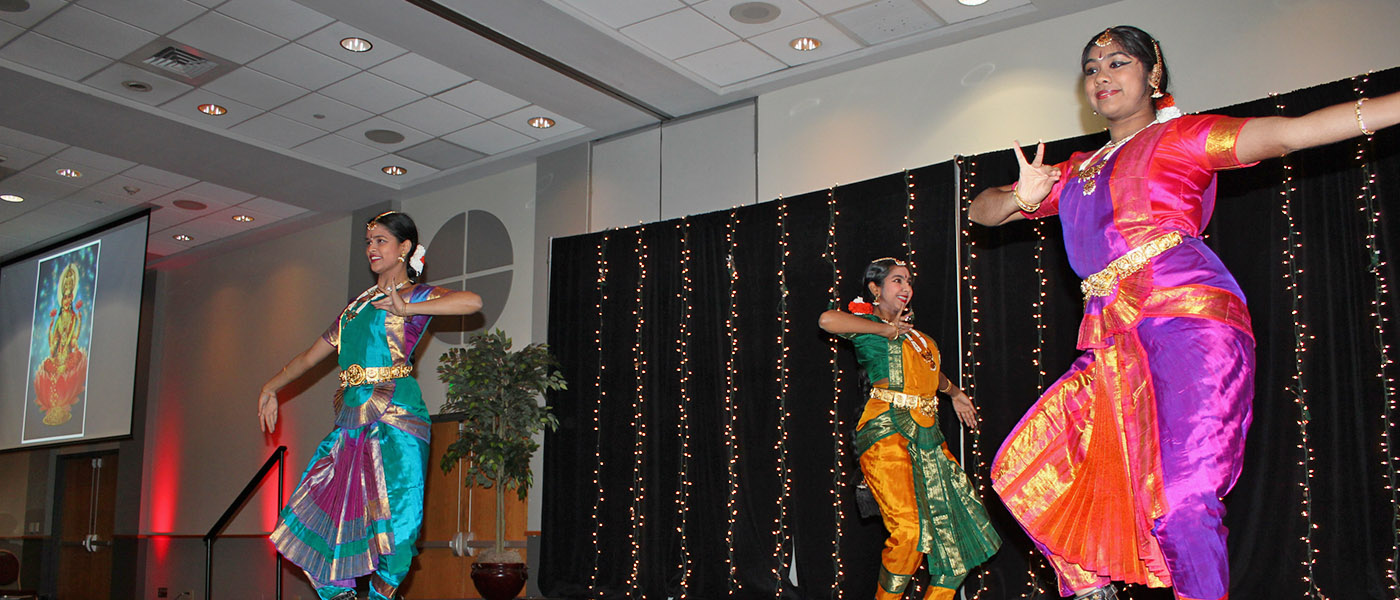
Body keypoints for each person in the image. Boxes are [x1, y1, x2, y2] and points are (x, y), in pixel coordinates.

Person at [970, 25, 1400, 600]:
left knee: (1180, 497)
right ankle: (1093, 581)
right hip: (1112, 335)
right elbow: (982, 210)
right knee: (1031, 469)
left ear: (1154, 75)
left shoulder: (1182, 137)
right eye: (1092, 68)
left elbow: (1293, 134)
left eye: (1118, 63)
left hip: (1188, 315)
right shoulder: (1074, 170)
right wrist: (1023, 196)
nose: (1102, 75)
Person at [257, 211, 483, 600]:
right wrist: (271, 386)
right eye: (369, 242)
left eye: (381, 241)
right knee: (320, 512)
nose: (372, 249)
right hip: (350, 421)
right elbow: (311, 357)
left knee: (400, 523)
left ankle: (381, 595)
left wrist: (408, 310)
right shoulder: (356, 306)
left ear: (405, 247)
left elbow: (472, 301)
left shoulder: (413, 295)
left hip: (397, 416)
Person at [818, 257, 1001, 600]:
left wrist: (956, 394)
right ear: (875, 289)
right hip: (887, 431)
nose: (906, 288)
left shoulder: (919, 338)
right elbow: (826, 320)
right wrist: (884, 328)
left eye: (908, 282)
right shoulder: (865, 323)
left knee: (960, 538)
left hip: (929, 438)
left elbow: (933, 376)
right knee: (911, 531)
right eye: (896, 281)